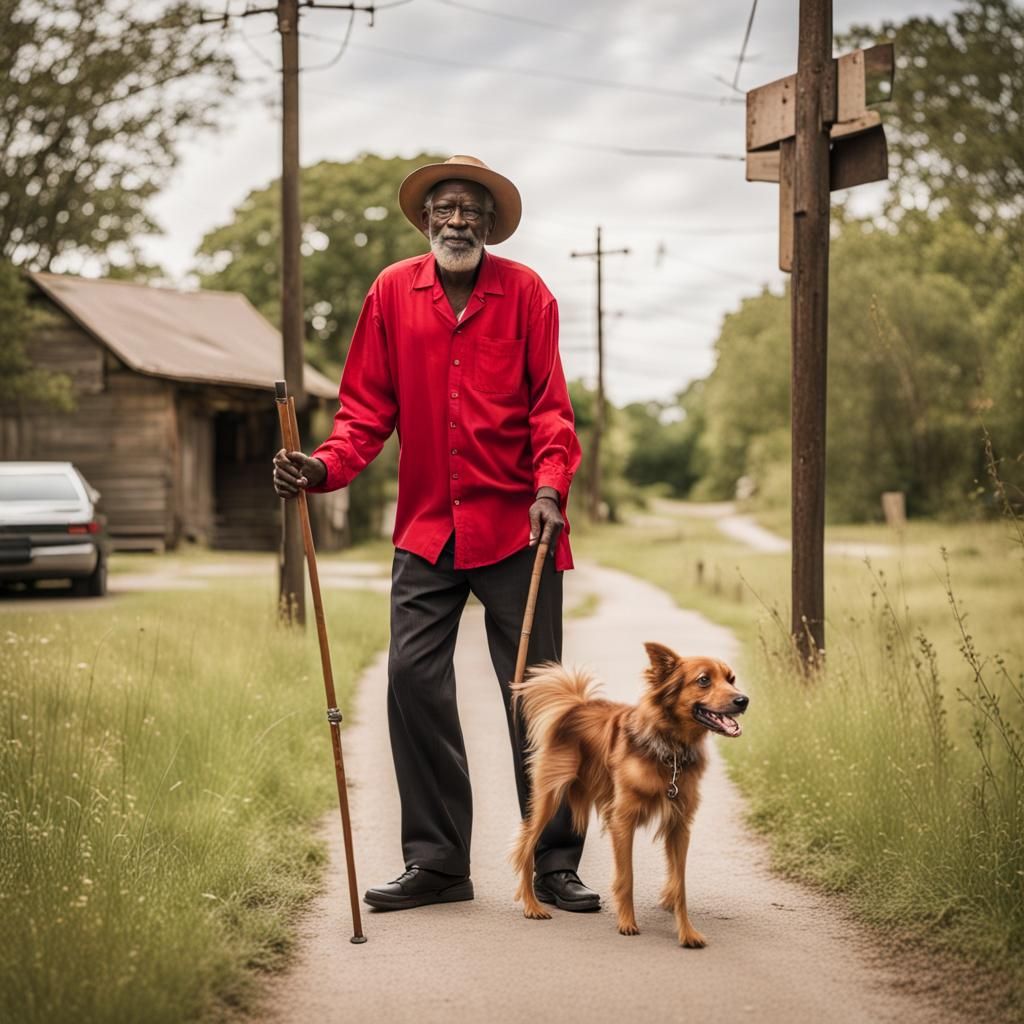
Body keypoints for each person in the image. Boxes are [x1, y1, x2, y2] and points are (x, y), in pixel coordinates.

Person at [272, 155, 599, 914]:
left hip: (521, 529)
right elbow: (361, 414)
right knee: (413, 683)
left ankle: (554, 862)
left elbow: (552, 408)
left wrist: (551, 486)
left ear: (490, 225)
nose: (457, 222)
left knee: (539, 697)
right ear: (425, 221)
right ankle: (440, 862)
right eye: (444, 210)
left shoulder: (527, 295)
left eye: (471, 212)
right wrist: (320, 469)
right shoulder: (391, 292)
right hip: (427, 529)